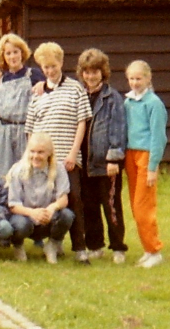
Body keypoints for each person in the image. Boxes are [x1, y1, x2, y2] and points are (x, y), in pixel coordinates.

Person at [25, 42, 92, 264]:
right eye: (45, 67)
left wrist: (73, 153)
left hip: (67, 157)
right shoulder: (37, 93)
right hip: (43, 159)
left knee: (73, 199)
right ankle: (55, 241)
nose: (50, 71)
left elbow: (81, 122)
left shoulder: (76, 89)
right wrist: (32, 157)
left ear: (61, 63)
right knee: (48, 199)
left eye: (53, 66)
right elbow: (30, 128)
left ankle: (80, 249)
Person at [76, 49, 128, 264]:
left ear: (103, 72)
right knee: (89, 206)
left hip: (106, 162)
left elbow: (118, 129)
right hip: (84, 162)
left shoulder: (112, 97)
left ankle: (118, 247)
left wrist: (114, 158)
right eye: (87, 72)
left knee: (111, 205)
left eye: (95, 72)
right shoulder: (78, 94)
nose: (90, 76)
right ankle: (95, 245)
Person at [124, 60, 167, 268]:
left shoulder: (154, 104)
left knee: (144, 206)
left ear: (148, 79)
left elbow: (158, 137)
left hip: (146, 155)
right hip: (130, 155)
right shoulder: (128, 102)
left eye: (138, 78)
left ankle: (154, 250)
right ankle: (147, 249)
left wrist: (152, 167)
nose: (134, 83)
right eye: (131, 78)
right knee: (134, 205)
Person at [7, 133, 75, 264]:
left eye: (40, 152)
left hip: (47, 218)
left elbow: (63, 199)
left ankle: (52, 245)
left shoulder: (59, 169)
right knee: (19, 224)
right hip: (25, 217)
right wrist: (33, 213)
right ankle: (18, 245)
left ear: (49, 153)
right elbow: (13, 205)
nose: (35, 156)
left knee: (67, 215)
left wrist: (51, 208)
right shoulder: (18, 170)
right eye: (32, 151)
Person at [0, 34, 45, 177]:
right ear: (3, 56)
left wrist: (43, 84)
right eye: (8, 53)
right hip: (2, 132)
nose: (12, 56)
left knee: (27, 172)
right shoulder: (0, 79)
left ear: (22, 53)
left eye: (15, 52)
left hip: (25, 130)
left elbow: (49, 92)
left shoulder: (34, 74)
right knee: (2, 175)